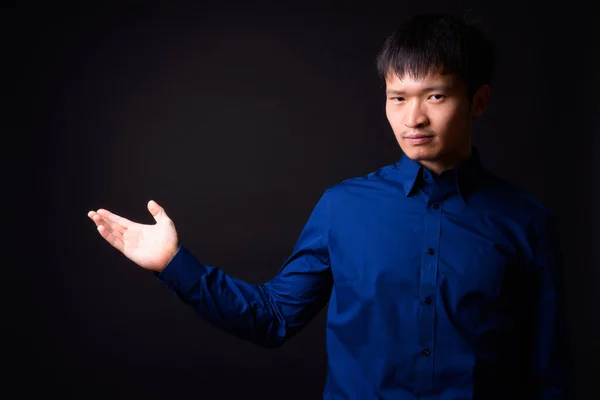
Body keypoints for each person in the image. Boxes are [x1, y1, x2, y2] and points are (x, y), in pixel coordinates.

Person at [87, 13, 572, 399]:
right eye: (397, 98)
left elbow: (548, 375)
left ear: (478, 101)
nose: (413, 118)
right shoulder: (343, 208)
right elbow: (273, 318)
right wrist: (173, 264)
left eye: (436, 96)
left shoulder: (526, 222)